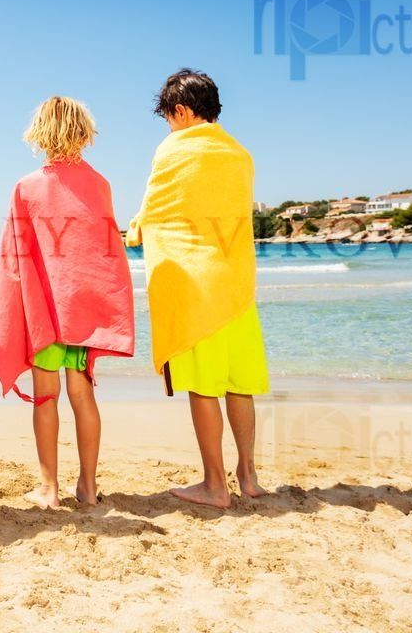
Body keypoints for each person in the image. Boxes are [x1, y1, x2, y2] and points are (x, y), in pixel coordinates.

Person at [0, 96, 135, 508]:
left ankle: (49, 487)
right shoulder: (100, 184)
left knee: (47, 396)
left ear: (40, 134)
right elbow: (104, 250)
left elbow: (15, 253)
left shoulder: (27, 187)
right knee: (83, 396)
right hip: (83, 309)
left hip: (47, 310)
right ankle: (88, 487)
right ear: (84, 133)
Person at [126, 69, 269, 509]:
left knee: (204, 386)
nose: (169, 126)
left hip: (196, 283)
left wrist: (131, 233)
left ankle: (214, 485)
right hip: (237, 285)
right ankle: (247, 475)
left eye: (169, 117)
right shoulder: (240, 155)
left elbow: (156, 211)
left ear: (182, 111)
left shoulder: (174, 148)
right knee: (237, 383)